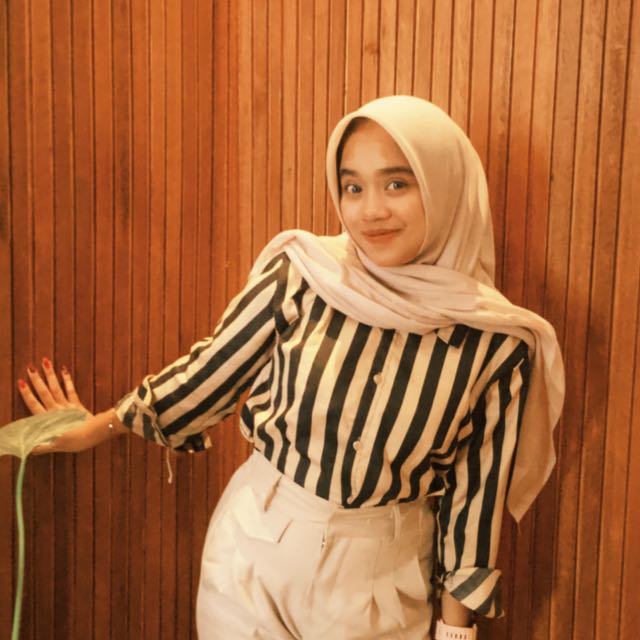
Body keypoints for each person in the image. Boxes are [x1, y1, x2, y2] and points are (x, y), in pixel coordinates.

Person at [15, 95, 564, 639]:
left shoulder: (497, 343)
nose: (370, 210)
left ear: (446, 187)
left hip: (385, 589)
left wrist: (455, 631)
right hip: (254, 554)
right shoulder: (302, 275)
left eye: (397, 183)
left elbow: (475, 498)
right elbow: (210, 375)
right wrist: (97, 426)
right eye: (353, 187)